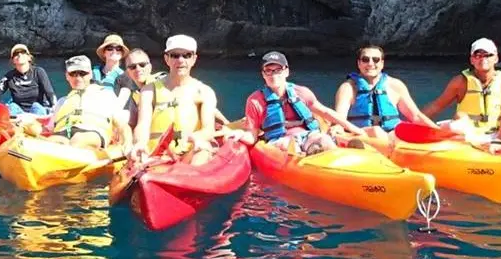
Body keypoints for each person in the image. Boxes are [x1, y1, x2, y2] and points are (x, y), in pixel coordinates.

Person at [228, 51, 365, 153]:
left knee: (324, 139)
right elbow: (252, 135)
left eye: (278, 70)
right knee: (286, 146)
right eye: (268, 71)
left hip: (307, 135)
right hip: (279, 141)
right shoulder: (255, 101)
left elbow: (325, 112)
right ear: (263, 74)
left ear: (286, 71)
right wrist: (240, 135)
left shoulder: (301, 92)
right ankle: (311, 154)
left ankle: (333, 159)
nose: (274, 75)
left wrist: (353, 128)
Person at [130, 35, 219, 166]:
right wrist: (140, 143)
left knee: (203, 150)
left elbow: (208, 129)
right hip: (157, 155)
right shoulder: (149, 91)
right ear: (167, 59)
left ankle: (190, 178)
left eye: (187, 55)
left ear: (194, 59)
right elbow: (143, 124)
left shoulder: (205, 92)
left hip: (189, 152)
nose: (181, 60)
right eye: (175, 55)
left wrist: (195, 138)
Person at [334, 45, 439, 143]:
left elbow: (416, 116)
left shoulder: (395, 85)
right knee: (376, 131)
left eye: (376, 60)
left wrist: (439, 132)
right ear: (359, 63)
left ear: (382, 63)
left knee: (403, 132)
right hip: (362, 135)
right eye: (365, 59)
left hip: (392, 134)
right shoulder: (348, 88)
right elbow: (340, 119)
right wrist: (337, 129)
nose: (370, 63)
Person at [422, 38, 501, 134]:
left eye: (488, 55)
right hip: (467, 135)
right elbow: (436, 106)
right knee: (460, 117)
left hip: (495, 135)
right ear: (472, 60)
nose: (483, 59)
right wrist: (415, 121)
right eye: (478, 55)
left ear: (496, 58)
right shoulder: (460, 82)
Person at [45, 55, 132, 150]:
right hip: (63, 132)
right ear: (67, 76)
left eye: (82, 73)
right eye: (73, 74)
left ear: (90, 74)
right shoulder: (62, 101)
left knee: (78, 139)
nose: (78, 78)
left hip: (93, 132)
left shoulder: (106, 95)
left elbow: (122, 124)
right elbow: (49, 128)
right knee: (52, 142)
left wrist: (128, 143)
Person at [0, 44, 57, 117]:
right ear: (13, 60)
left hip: (37, 110)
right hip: (18, 112)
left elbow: (50, 93)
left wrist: (55, 108)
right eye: (16, 54)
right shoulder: (9, 77)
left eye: (23, 52)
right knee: (12, 107)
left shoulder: (39, 72)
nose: (19, 55)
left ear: (29, 57)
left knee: (36, 106)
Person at [114, 48, 162, 127]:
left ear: (150, 67)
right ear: (128, 72)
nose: (138, 69)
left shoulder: (162, 83)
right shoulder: (135, 95)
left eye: (142, 65)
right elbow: (132, 123)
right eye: (132, 67)